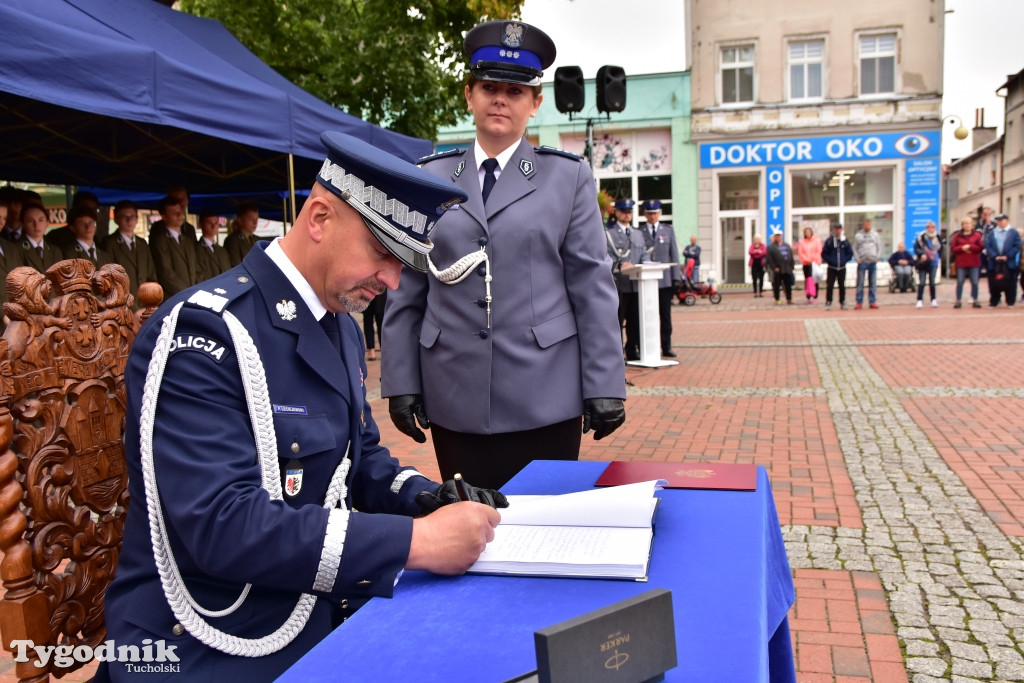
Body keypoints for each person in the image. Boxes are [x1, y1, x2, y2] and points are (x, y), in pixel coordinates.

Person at [97, 131, 505, 683]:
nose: (391, 282)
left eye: (403, 263)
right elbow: (222, 525)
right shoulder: (205, 331)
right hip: (212, 638)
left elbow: (358, 460)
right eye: (384, 253)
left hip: (312, 604)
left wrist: (427, 499)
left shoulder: (336, 323)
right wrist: (419, 542)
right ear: (318, 218)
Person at [381, 20, 626, 490]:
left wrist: (605, 384)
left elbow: (592, 286)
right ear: (469, 94)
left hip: (545, 393)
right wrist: (400, 380)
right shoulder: (428, 178)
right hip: (454, 392)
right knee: (470, 528)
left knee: (547, 530)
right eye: (489, 87)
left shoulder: (567, 177)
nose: (500, 100)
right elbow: (407, 287)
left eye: (515, 91)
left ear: (535, 103)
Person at [641, 199, 681, 357]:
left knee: (665, 315)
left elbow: (674, 254)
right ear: (645, 215)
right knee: (645, 315)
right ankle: (644, 346)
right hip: (644, 281)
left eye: (655, 213)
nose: (652, 217)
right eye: (649, 214)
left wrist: (676, 277)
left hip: (664, 281)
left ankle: (666, 346)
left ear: (660, 214)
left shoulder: (668, 230)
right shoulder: (639, 232)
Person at [606, 198, 645, 361]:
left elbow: (644, 255)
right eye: (623, 212)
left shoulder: (638, 234)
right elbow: (605, 255)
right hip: (618, 284)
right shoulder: (609, 233)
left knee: (635, 321)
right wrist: (619, 265)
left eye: (629, 212)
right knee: (617, 321)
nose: (627, 215)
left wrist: (644, 264)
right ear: (616, 213)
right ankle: (617, 352)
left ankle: (632, 349)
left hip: (636, 284)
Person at [101, 200, 158, 303]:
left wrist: (151, 300)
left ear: (137, 219)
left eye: (132, 216)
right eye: (124, 217)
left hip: (145, 302)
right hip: (123, 304)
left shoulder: (142, 243)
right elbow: (111, 280)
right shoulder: (109, 243)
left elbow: (151, 275)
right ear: (116, 220)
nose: (129, 220)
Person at [150, 194, 200, 298]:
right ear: (164, 217)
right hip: (173, 296)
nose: (180, 215)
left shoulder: (187, 240)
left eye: (180, 211)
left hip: (192, 294)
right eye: (174, 213)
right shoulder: (160, 240)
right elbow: (166, 273)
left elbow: (196, 268)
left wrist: (198, 289)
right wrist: (188, 292)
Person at [984, 213, 1022, 307]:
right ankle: (994, 301)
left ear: (1007, 221)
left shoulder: (1013, 232)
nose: (999, 222)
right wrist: (994, 255)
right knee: (994, 282)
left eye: (1001, 220)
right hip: (995, 262)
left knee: (1011, 283)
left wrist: (1008, 256)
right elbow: (987, 245)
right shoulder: (993, 232)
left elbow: (1017, 245)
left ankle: (1010, 301)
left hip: (1009, 262)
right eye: (998, 220)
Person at [11, 203, 62, 273]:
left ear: (47, 223)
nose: (36, 225)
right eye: (30, 221)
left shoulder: (55, 251)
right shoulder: (15, 249)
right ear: (22, 224)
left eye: (41, 220)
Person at [950, 216, 984, 308]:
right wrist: (962, 248)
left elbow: (980, 248)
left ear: (972, 225)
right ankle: (958, 300)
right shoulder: (957, 236)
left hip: (974, 262)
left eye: (969, 223)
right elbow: (953, 248)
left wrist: (970, 247)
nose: (967, 225)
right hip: (961, 262)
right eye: (965, 223)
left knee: (975, 282)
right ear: (962, 225)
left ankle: (975, 299)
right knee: (960, 281)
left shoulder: (977, 235)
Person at [821, 222, 853, 311]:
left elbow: (850, 253)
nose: (838, 230)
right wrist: (830, 261)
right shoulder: (829, 241)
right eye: (836, 228)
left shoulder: (845, 241)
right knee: (830, 285)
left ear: (842, 230)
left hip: (842, 267)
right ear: (833, 230)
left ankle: (842, 301)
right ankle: (828, 302)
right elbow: (824, 254)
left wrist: (844, 260)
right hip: (832, 267)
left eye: (839, 228)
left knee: (842, 285)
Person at [195, 210, 232, 282]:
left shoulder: (222, 250)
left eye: (216, 223)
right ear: (201, 224)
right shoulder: (196, 249)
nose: (213, 226)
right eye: (209, 223)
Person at [853, 218, 881, 309]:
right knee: (860, 283)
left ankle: (872, 301)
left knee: (872, 283)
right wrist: (857, 259)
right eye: (867, 224)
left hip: (872, 261)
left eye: (870, 224)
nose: (868, 226)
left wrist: (877, 258)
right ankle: (859, 302)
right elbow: (855, 248)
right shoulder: (858, 235)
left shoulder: (875, 235)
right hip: (862, 262)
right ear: (863, 225)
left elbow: (879, 247)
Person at [913, 222, 941, 308]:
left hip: (933, 262)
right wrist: (922, 254)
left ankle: (933, 300)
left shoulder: (938, 237)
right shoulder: (921, 237)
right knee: (922, 282)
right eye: (929, 227)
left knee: (932, 282)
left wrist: (937, 256)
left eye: (932, 227)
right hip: (924, 263)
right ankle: (919, 300)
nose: (931, 229)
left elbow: (941, 248)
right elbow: (916, 248)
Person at [765, 232, 794, 305]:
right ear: (774, 237)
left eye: (779, 236)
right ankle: (777, 299)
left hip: (787, 268)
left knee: (788, 285)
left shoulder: (787, 245)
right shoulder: (771, 247)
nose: (778, 237)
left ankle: (789, 299)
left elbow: (791, 256)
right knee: (777, 285)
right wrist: (774, 267)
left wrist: (792, 266)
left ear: (781, 236)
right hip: (778, 268)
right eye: (776, 236)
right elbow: (769, 259)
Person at [796, 227, 822, 304]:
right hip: (806, 264)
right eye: (806, 232)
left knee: (815, 280)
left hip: (815, 263)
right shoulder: (802, 242)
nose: (807, 233)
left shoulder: (816, 241)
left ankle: (815, 296)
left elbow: (819, 251)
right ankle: (808, 296)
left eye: (808, 232)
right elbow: (800, 253)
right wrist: (807, 260)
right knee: (807, 280)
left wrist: (813, 260)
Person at [362, 290, 386, 362]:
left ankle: (384, 349)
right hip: (366, 286)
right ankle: (371, 349)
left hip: (381, 287)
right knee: (368, 318)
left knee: (381, 320)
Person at [748, 233, 767, 298]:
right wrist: (758, 251)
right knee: (754, 278)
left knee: (761, 278)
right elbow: (750, 252)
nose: (757, 240)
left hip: (761, 264)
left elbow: (764, 253)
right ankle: (755, 292)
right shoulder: (752, 246)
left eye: (758, 239)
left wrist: (756, 252)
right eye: (756, 239)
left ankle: (760, 292)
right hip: (754, 264)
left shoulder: (763, 246)